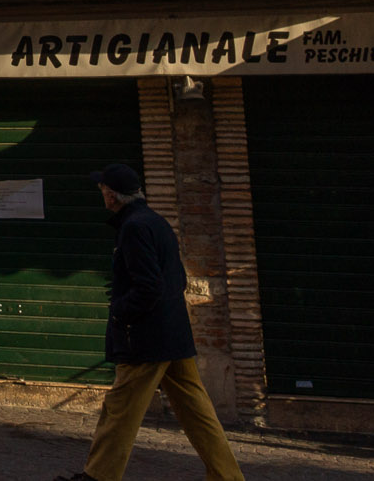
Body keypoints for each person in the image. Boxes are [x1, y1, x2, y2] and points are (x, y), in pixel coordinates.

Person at [52, 164, 244, 481]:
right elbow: (177, 278)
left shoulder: (134, 228)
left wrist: (120, 312)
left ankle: (99, 476)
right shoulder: (157, 223)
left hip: (145, 339)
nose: (101, 195)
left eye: (102, 191)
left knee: (120, 409)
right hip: (174, 335)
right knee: (197, 411)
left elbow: (149, 286)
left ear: (111, 196)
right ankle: (228, 476)